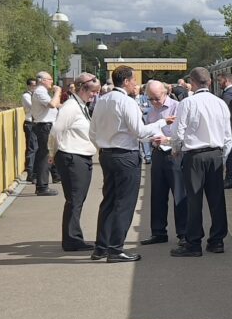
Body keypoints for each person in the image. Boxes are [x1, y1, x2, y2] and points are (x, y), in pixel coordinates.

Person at [88, 66, 174, 262]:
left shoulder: (102, 101)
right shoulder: (126, 102)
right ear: (126, 81)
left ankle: (101, 247)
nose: (136, 84)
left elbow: (92, 132)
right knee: (124, 203)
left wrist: (103, 145)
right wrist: (163, 123)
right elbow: (139, 131)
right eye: (133, 80)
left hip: (106, 154)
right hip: (125, 156)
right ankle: (116, 249)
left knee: (108, 201)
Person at [167, 67, 232, 258]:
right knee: (217, 200)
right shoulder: (220, 103)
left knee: (194, 200)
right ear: (210, 82)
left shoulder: (187, 103)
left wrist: (176, 150)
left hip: (194, 156)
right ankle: (217, 241)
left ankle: (193, 243)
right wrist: (223, 158)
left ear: (192, 83)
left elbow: (178, 132)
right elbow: (228, 136)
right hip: (216, 155)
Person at [51, 74, 101, 251]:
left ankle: (73, 237)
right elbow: (56, 130)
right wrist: (53, 152)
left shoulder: (80, 106)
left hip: (78, 156)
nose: (95, 95)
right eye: (93, 91)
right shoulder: (71, 107)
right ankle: (72, 240)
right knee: (75, 199)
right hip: (72, 156)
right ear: (82, 88)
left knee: (77, 199)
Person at [140, 80, 187, 247]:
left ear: (165, 93)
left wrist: (167, 139)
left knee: (179, 194)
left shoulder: (177, 107)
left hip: (175, 153)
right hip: (157, 153)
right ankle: (158, 232)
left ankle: (184, 233)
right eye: (150, 98)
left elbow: (185, 132)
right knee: (157, 194)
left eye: (156, 98)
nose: (154, 102)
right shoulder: (151, 110)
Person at [31, 71, 63, 196]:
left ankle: (44, 183)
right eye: (50, 79)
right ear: (42, 80)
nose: (52, 81)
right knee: (45, 156)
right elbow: (52, 104)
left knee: (46, 155)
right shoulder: (40, 91)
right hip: (44, 126)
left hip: (47, 126)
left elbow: (55, 104)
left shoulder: (42, 92)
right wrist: (57, 92)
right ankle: (42, 186)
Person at [219, 73, 232, 189]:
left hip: (228, 127)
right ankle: (229, 178)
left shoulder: (230, 93)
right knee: (228, 152)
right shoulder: (228, 92)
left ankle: (231, 179)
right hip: (228, 126)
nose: (219, 83)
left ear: (226, 80)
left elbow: (223, 109)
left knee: (229, 153)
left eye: (220, 81)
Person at [22, 78, 38, 184]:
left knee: (36, 148)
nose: (35, 87)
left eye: (36, 85)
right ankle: (30, 173)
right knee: (32, 148)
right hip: (30, 123)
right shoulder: (26, 95)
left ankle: (34, 172)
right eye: (33, 85)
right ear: (28, 86)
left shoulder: (35, 95)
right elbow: (33, 107)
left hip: (36, 123)